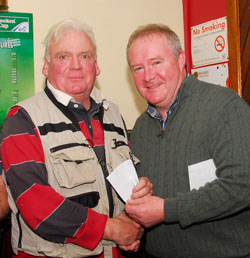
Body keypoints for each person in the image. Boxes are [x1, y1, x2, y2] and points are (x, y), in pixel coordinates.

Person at [0, 19, 152, 258]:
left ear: (96, 65)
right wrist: (111, 229)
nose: (75, 66)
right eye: (63, 57)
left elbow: (122, 186)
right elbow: (37, 206)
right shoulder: (22, 119)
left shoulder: (113, 113)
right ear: (45, 66)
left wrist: (133, 222)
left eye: (84, 56)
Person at [125, 24, 250, 258]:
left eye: (156, 62)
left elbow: (243, 183)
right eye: (138, 68)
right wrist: (134, 228)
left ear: (181, 59)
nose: (148, 76)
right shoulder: (141, 127)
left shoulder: (224, 107)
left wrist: (166, 210)